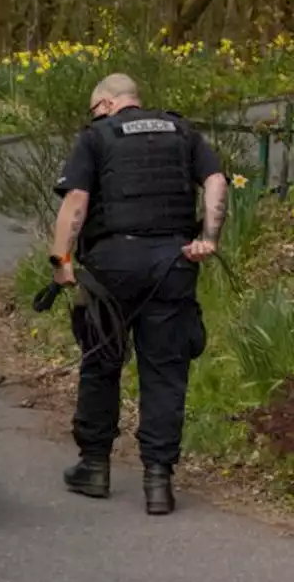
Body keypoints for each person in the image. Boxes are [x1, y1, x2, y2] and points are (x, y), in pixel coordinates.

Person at [48, 72, 228, 515]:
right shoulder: (182, 130)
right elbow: (218, 182)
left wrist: (62, 262)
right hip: (173, 262)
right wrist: (208, 237)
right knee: (166, 371)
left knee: (101, 361)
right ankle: (158, 481)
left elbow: (76, 202)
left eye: (94, 109)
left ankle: (93, 467)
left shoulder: (97, 137)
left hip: (113, 264)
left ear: (108, 103)